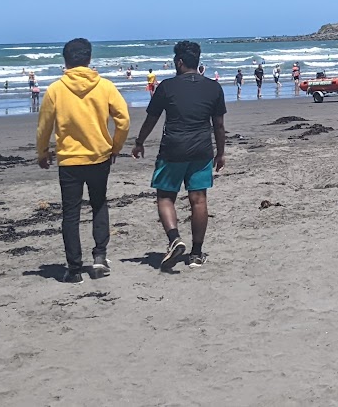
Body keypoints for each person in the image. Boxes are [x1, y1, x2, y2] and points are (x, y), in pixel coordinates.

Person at [36, 38, 130, 285]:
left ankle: (74, 268)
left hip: (70, 160)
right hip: (99, 156)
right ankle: (99, 257)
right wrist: (115, 147)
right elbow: (124, 120)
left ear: (66, 61)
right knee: (99, 204)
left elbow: (44, 126)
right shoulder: (105, 86)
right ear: (89, 59)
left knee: (71, 213)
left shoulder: (55, 89)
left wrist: (43, 152)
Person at [129, 41, 226, 270]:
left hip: (173, 149)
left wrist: (139, 143)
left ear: (179, 62)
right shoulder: (214, 88)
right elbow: (219, 125)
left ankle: (174, 239)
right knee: (199, 200)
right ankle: (196, 254)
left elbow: (151, 119)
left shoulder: (167, 87)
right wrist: (220, 153)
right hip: (202, 149)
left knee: (165, 197)